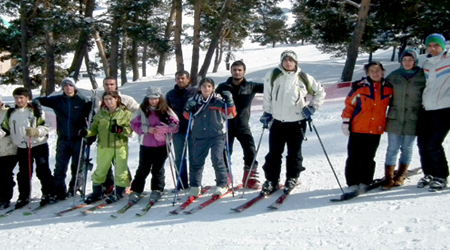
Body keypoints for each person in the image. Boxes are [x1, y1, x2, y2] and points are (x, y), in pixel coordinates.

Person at [259, 50, 326, 195]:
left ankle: (292, 177)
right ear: (281, 61)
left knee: (294, 153)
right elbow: (267, 96)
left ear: (296, 62)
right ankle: (272, 180)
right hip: (278, 121)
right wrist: (267, 112)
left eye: (291, 60)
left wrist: (312, 107)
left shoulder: (303, 77)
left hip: (297, 122)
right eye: (285, 60)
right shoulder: (273, 75)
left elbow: (320, 92)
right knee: (274, 153)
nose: (288, 63)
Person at [34, 78, 91, 200]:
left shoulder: (82, 100)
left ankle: (74, 188)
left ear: (74, 87)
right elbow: (38, 99)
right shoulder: (58, 100)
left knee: (77, 166)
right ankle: (59, 190)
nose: (68, 88)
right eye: (65, 86)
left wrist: (89, 134)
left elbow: (92, 118)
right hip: (63, 138)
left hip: (78, 139)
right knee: (60, 166)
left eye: (70, 85)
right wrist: (37, 105)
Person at [341, 61, 393, 193]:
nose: (375, 73)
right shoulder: (360, 87)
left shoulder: (388, 88)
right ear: (367, 73)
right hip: (358, 127)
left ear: (382, 72)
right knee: (354, 157)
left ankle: (365, 181)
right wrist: (346, 121)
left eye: (377, 71)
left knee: (369, 157)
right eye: (372, 71)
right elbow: (349, 104)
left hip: (376, 129)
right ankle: (353, 182)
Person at [0, 87, 55, 208]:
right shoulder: (11, 113)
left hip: (38, 144)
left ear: (27, 98)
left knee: (42, 169)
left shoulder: (35, 110)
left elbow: (46, 125)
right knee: (24, 173)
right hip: (22, 146)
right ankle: (24, 196)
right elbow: (5, 128)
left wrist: (37, 131)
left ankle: (48, 193)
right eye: (16, 98)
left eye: (21, 98)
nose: (18, 100)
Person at [183, 78, 236, 197]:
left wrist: (230, 102)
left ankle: (222, 184)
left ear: (213, 88)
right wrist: (188, 108)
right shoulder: (193, 100)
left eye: (209, 86)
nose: (206, 89)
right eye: (204, 86)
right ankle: (195, 186)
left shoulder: (218, 100)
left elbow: (231, 115)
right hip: (199, 135)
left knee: (217, 159)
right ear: (200, 88)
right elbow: (187, 116)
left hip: (217, 135)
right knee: (196, 161)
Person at [215, 61, 264, 189]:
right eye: (234, 70)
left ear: (244, 71)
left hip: (243, 125)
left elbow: (272, 89)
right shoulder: (222, 87)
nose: (237, 72)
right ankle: (224, 178)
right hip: (226, 125)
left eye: (239, 70)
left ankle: (249, 178)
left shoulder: (251, 85)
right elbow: (209, 97)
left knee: (250, 151)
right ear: (231, 71)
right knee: (224, 152)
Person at [382, 49, 425, 190]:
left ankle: (401, 174)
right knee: (392, 148)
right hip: (395, 117)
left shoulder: (422, 76)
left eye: (410, 60)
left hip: (413, 117)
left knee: (407, 147)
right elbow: (381, 91)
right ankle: (389, 177)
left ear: (415, 61)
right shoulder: (394, 76)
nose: (407, 63)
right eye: (404, 60)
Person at [80, 91, 133, 204]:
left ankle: (119, 191)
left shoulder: (126, 114)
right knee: (101, 169)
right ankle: (97, 192)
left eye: (111, 99)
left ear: (117, 99)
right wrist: (86, 132)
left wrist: (121, 130)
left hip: (120, 146)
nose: (108, 102)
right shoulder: (100, 114)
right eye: (106, 99)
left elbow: (130, 131)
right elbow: (94, 129)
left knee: (120, 170)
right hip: (104, 146)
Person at [128, 87, 179, 203]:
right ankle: (136, 190)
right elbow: (133, 124)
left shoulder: (165, 109)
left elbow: (176, 124)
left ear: (160, 98)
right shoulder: (142, 109)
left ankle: (157, 189)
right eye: (150, 98)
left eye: (155, 98)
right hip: (146, 144)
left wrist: (166, 128)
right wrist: (147, 129)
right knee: (143, 168)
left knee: (158, 168)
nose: (153, 101)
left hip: (162, 144)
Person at [94, 77, 139, 194]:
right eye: (106, 84)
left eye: (111, 84)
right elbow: (94, 117)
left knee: (120, 165)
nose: (109, 86)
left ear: (116, 85)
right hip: (104, 139)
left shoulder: (126, 99)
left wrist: (128, 125)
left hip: (119, 139)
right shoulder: (97, 99)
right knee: (103, 165)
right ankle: (107, 186)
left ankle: (124, 185)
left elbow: (139, 111)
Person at [417, 33, 450, 191]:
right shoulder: (426, 64)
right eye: (430, 46)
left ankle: (441, 176)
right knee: (423, 143)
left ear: (442, 46)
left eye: (436, 45)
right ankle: (429, 173)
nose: (433, 48)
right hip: (427, 108)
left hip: (444, 109)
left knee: (433, 143)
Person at [165, 71, 198, 191]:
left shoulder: (195, 92)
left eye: (183, 78)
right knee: (179, 158)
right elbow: (166, 111)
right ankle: (182, 183)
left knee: (194, 157)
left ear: (188, 79)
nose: (180, 80)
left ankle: (195, 182)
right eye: (178, 78)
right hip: (178, 131)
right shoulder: (170, 94)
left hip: (193, 129)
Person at [0, 95, 18, 209]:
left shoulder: (9, 112)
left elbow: (8, 129)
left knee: (5, 175)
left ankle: (5, 198)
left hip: (8, 149)